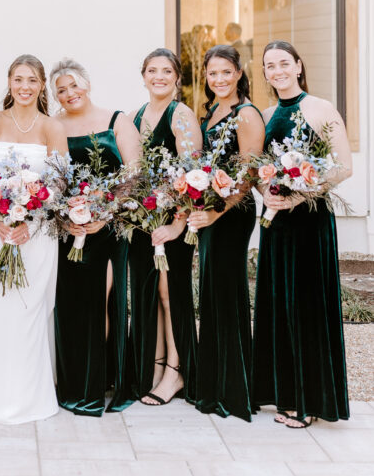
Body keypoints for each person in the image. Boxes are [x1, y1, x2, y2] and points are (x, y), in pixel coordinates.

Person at [0, 55, 67, 424]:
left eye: (33, 80)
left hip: (36, 234)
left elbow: (58, 183)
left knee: (28, 312)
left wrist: (30, 218)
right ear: (8, 82)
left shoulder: (53, 127)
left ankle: (28, 398)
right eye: (18, 79)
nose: (25, 87)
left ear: (42, 86)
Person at [253, 41, 352, 427]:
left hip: (309, 220)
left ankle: (310, 402)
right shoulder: (265, 113)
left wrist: (296, 196)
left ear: (297, 66)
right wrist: (267, 193)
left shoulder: (321, 108)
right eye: (269, 66)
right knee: (278, 306)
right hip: (275, 221)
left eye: (283, 63)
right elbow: (259, 168)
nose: (276, 70)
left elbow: (342, 167)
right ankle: (284, 394)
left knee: (307, 306)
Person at [51, 58, 140, 416]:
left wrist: (103, 212)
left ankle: (98, 381)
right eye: (61, 90)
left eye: (74, 85)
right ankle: (73, 382)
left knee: (100, 302)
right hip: (67, 230)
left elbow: (134, 173)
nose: (70, 93)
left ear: (87, 84)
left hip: (108, 230)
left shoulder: (117, 121)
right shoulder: (53, 125)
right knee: (70, 307)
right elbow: (49, 177)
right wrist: (64, 213)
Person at [192, 44, 264, 422]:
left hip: (232, 213)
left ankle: (234, 392)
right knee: (212, 292)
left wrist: (215, 213)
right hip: (209, 211)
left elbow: (249, 173)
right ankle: (213, 386)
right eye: (212, 73)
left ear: (238, 72)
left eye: (225, 72)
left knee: (227, 291)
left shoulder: (246, 114)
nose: (218, 79)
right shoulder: (211, 112)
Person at [129, 48, 201, 406]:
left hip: (172, 224)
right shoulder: (136, 115)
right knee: (151, 295)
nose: (159, 77)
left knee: (170, 295)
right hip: (146, 223)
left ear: (177, 77)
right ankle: (155, 368)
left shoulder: (181, 115)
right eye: (152, 70)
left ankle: (176, 371)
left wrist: (177, 225)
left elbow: (193, 176)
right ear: (143, 76)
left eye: (166, 71)